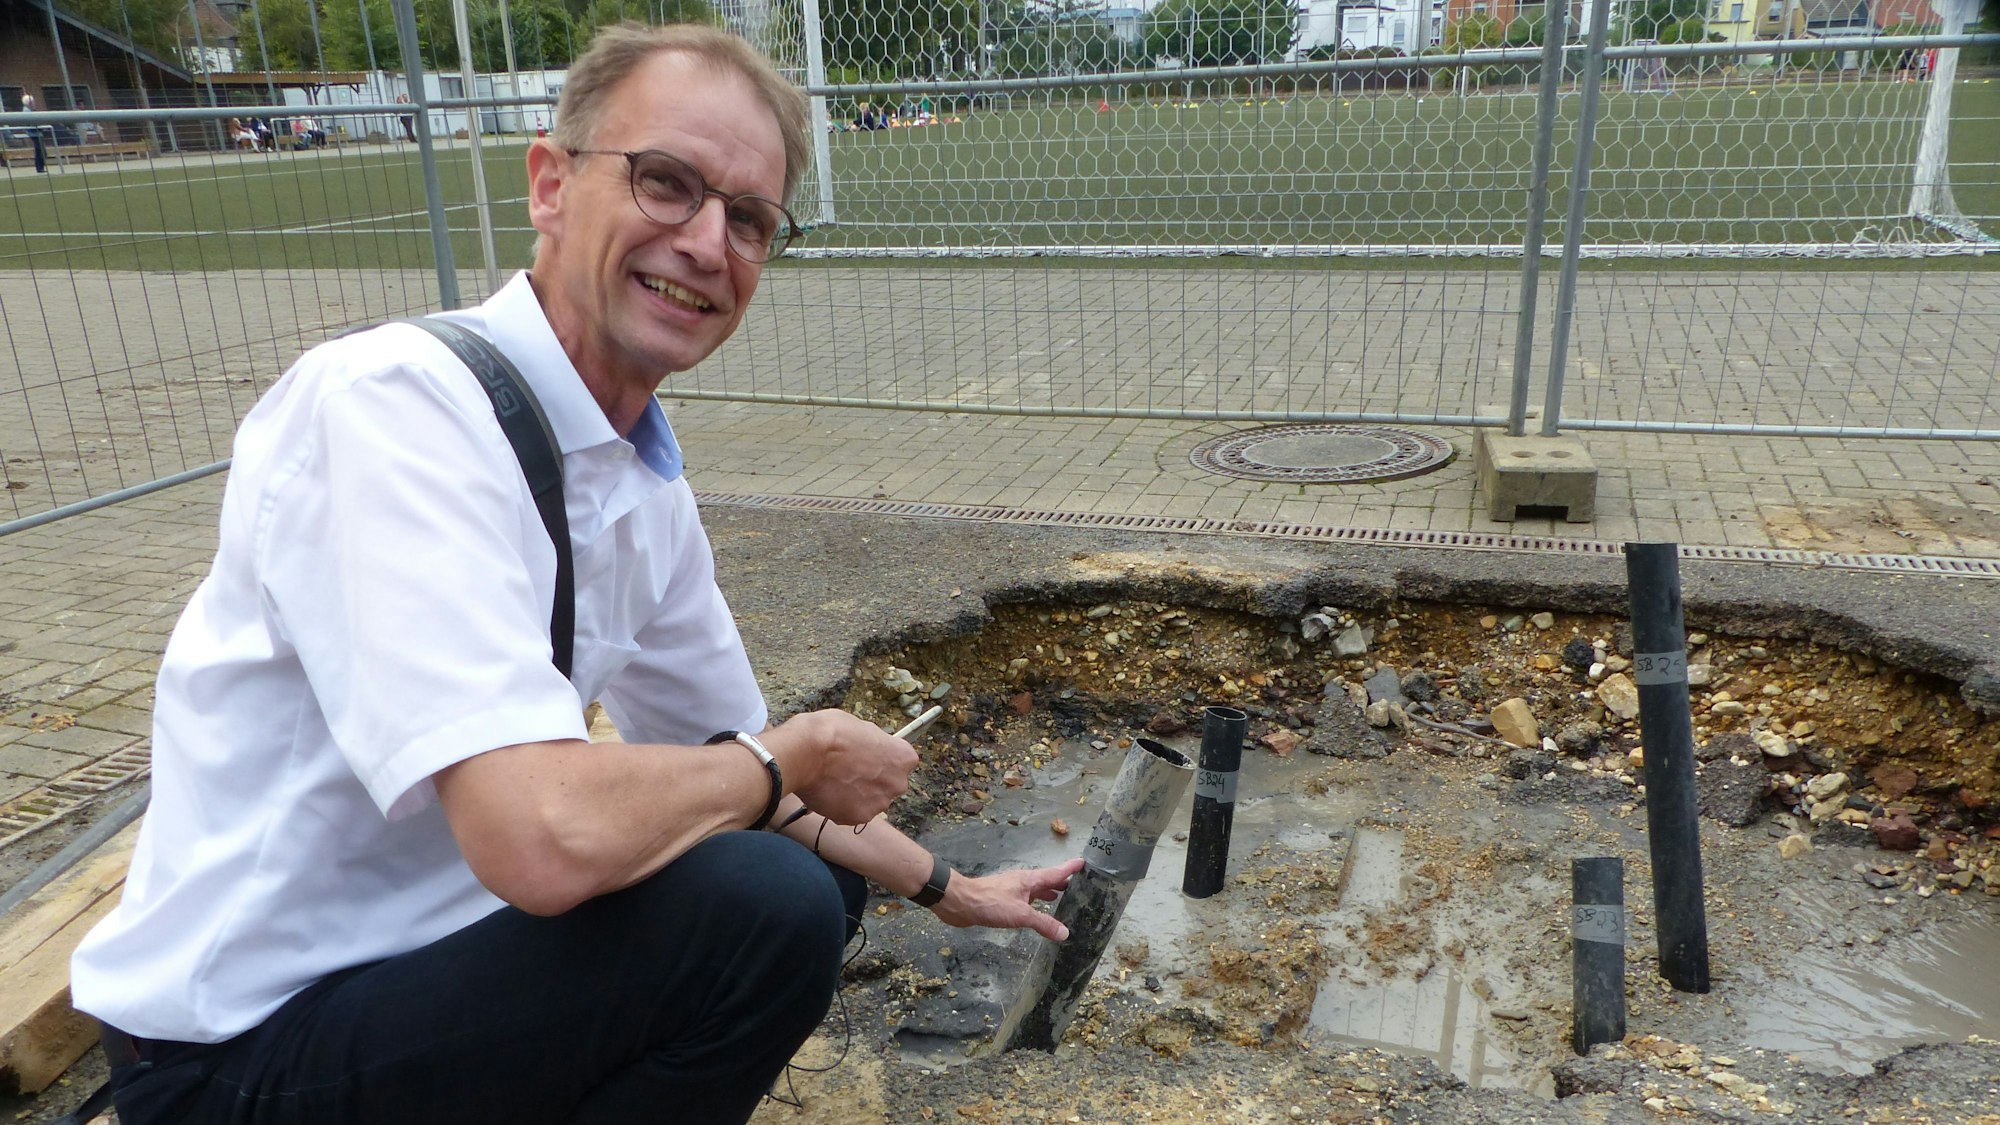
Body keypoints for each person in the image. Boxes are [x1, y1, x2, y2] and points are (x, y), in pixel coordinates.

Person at [71, 22, 1081, 1125]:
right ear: (550, 185)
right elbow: (541, 837)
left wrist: (948, 888)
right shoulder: (390, 407)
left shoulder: (637, 478)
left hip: (421, 973)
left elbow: (753, 780)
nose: (706, 242)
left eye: (747, 219)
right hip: (241, 1048)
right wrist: (788, 752)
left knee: (811, 874)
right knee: (762, 903)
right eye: (666, 184)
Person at [22, 93, 47, 172]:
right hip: (34, 133)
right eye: (33, 101)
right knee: (40, 151)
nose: (34, 103)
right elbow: (32, 122)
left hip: (36, 133)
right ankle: (40, 168)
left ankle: (40, 167)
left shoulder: (29, 110)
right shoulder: (27, 111)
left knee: (40, 150)